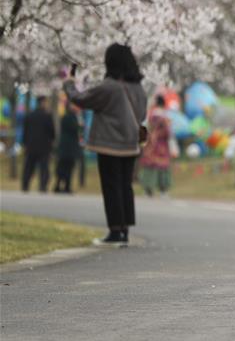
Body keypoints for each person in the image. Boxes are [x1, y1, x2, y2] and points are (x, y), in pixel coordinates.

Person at [64, 44, 147, 246]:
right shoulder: (138, 88)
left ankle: (114, 231)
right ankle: (125, 230)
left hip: (109, 144)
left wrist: (69, 83)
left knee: (111, 186)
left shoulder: (109, 86)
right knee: (125, 186)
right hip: (130, 144)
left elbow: (80, 99)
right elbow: (142, 115)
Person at [139, 95, 172, 197]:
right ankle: (163, 190)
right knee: (163, 168)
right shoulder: (166, 116)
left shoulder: (151, 115)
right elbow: (168, 133)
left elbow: (146, 128)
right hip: (162, 145)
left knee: (149, 167)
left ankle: (148, 190)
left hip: (151, 145)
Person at [21, 96, 55, 193]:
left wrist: (25, 144)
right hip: (44, 146)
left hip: (31, 146)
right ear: (42, 103)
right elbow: (52, 132)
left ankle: (25, 185)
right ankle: (42, 186)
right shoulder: (47, 116)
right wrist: (51, 143)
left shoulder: (29, 115)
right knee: (44, 168)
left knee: (29, 167)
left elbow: (25, 131)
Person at [54, 101, 82, 194]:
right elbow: (76, 129)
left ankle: (61, 185)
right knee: (66, 167)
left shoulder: (66, 117)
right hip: (69, 148)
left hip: (66, 148)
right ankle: (63, 186)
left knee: (63, 167)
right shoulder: (70, 118)